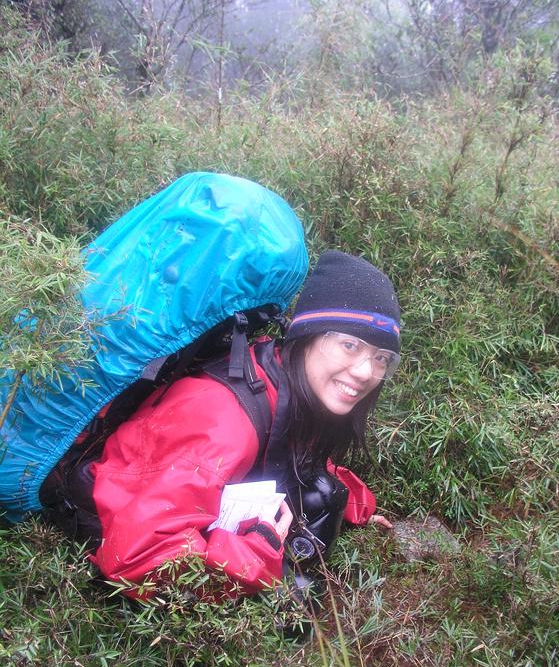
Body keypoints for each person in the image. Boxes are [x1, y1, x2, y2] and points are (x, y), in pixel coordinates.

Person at [45, 250, 401, 599]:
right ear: (306, 336)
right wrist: (260, 553)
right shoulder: (222, 424)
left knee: (325, 496)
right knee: (293, 605)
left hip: (176, 497)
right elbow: (137, 558)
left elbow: (295, 455)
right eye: (349, 345)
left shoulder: (283, 375)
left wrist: (356, 507)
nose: (366, 372)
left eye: (382, 358)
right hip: (119, 523)